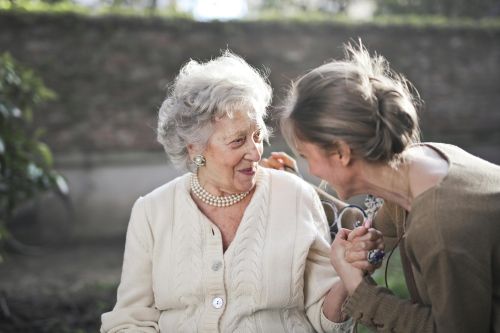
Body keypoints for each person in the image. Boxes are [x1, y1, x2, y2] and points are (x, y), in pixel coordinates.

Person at [100, 51, 383, 333]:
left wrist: (348, 276)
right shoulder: (152, 211)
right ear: (195, 148)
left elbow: (324, 319)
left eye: (258, 136)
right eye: (238, 141)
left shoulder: (295, 196)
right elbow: (130, 320)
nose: (255, 152)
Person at [279, 41, 500, 332]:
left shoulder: (439, 226)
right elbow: (373, 229)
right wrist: (291, 185)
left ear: (342, 153)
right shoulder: (422, 162)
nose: (312, 170)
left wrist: (359, 288)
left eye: (307, 156)